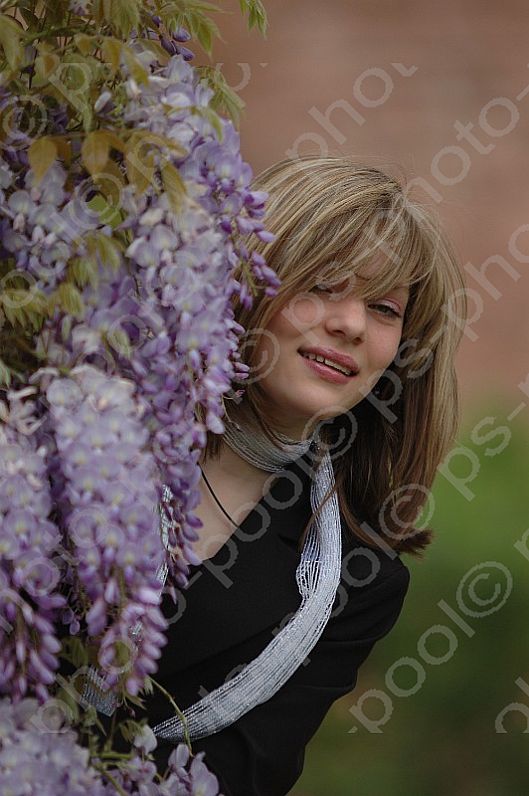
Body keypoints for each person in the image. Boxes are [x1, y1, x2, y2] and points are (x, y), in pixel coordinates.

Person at [118, 155, 467, 794]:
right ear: (245, 275)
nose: (352, 324)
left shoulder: (352, 582)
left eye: (385, 309)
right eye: (325, 283)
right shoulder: (86, 426)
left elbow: (237, 778)